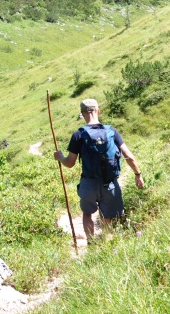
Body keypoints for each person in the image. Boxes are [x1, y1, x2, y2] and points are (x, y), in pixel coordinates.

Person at [54, 98, 144, 241]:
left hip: (88, 183)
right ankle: (105, 245)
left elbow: (70, 163)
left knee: (87, 213)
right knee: (106, 216)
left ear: (82, 114)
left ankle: (90, 243)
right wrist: (138, 174)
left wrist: (60, 158)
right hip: (110, 183)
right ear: (98, 111)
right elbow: (129, 156)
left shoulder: (78, 135)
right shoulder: (111, 132)